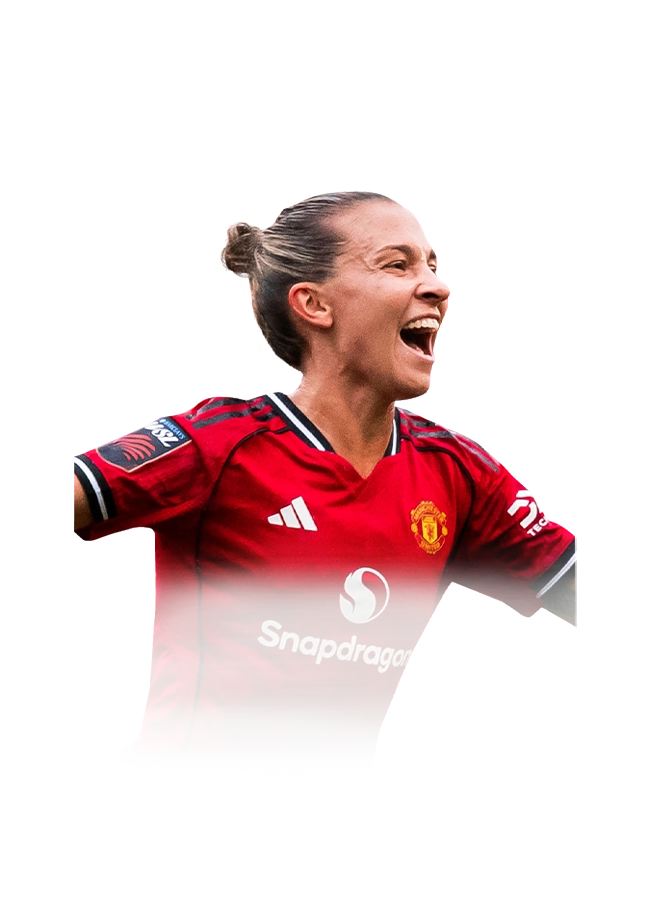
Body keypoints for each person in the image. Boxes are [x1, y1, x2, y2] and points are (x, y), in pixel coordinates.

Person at [73, 191, 578, 771]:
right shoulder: (217, 444)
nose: (439, 288)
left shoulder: (461, 474)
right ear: (314, 304)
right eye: (398, 264)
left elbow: (607, 601)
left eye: (434, 266)